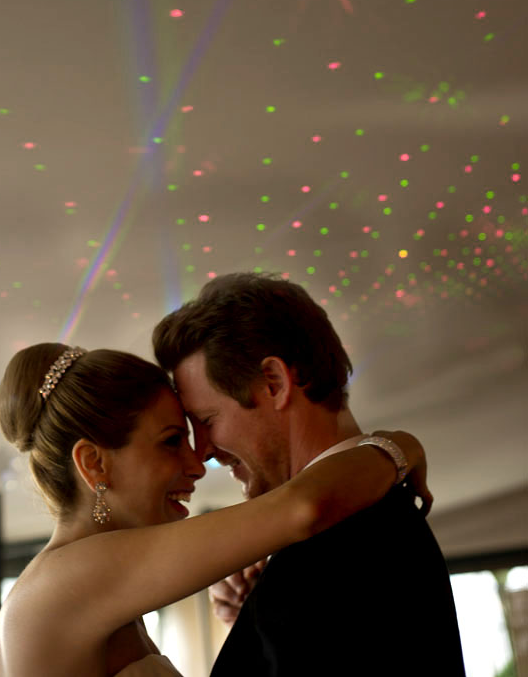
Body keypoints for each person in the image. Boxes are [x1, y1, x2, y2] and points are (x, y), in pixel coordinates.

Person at [0, 343, 429, 677]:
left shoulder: (78, 584)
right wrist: (399, 446)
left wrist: (251, 623)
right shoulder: (74, 576)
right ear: (94, 463)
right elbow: (302, 508)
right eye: (171, 441)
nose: (197, 464)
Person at [153, 272, 467, 677]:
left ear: (274, 383)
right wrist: (254, 625)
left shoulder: (344, 539)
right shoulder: (362, 517)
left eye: (208, 420)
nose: (202, 452)